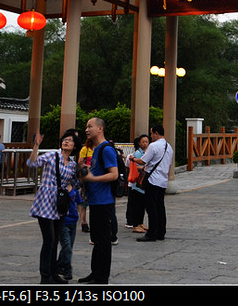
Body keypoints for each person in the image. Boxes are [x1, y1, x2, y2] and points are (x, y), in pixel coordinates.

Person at [27, 130, 80, 283]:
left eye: (70, 140)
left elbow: (76, 183)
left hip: (60, 203)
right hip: (45, 200)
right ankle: (45, 276)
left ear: (75, 146)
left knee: (55, 240)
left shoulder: (73, 165)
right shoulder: (52, 155)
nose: (66, 141)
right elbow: (32, 163)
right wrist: (36, 146)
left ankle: (53, 274)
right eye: (64, 139)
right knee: (49, 240)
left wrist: (79, 175)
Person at [78, 117, 117, 283]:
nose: (87, 130)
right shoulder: (96, 149)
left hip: (103, 201)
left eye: (90, 126)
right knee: (97, 240)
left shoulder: (106, 149)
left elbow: (114, 174)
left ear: (100, 128)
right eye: (86, 127)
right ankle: (95, 272)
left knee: (103, 241)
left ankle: (102, 277)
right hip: (95, 201)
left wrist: (93, 178)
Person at [135, 124, 173, 242]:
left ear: (156, 133)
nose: (151, 136)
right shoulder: (169, 147)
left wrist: (133, 159)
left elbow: (143, 161)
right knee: (160, 207)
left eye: (152, 133)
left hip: (153, 180)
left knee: (151, 207)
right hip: (163, 180)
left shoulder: (153, 146)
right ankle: (161, 232)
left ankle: (152, 233)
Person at [125, 134, 150, 233]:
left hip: (142, 182)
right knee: (137, 205)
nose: (145, 144)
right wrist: (145, 167)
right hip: (137, 182)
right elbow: (133, 165)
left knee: (142, 204)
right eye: (143, 142)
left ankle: (140, 223)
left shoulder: (145, 152)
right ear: (139, 143)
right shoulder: (138, 154)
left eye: (146, 142)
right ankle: (135, 224)